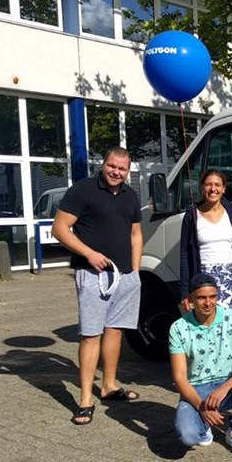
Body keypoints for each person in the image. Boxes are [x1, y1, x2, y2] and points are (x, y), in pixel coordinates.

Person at [52, 148, 142, 426]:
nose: (116, 172)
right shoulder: (83, 190)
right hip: (92, 274)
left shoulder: (131, 196)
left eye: (122, 169)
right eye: (112, 166)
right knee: (91, 334)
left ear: (128, 171)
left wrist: (135, 271)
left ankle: (108, 386)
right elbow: (60, 229)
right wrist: (89, 254)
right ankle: (85, 400)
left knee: (115, 331)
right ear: (103, 165)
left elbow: (136, 234)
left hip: (124, 276)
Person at [168, 273, 232, 454]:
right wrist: (202, 408)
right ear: (191, 299)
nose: (208, 303)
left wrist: (224, 388)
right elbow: (179, 378)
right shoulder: (178, 328)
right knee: (188, 437)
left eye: (212, 297)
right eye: (201, 298)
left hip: (227, 384)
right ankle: (204, 421)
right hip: (197, 388)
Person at [178, 169, 232, 313]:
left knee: (231, 322)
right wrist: (185, 292)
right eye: (208, 184)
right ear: (202, 187)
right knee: (207, 322)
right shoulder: (192, 215)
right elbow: (184, 255)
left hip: (231, 278)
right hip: (204, 279)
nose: (213, 189)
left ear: (224, 188)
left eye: (217, 185)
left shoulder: (231, 211)